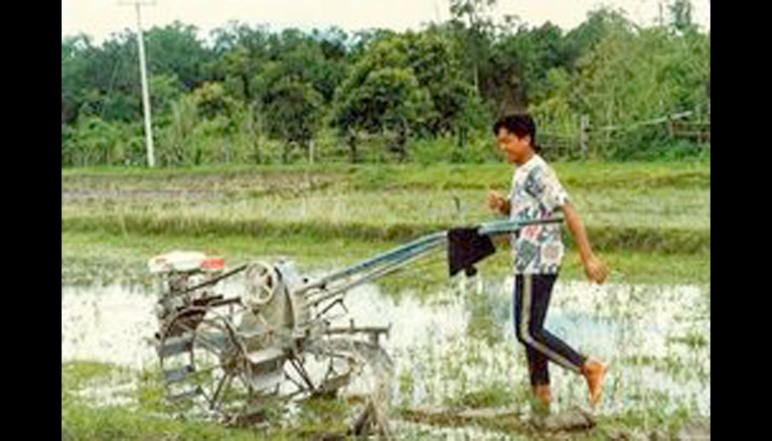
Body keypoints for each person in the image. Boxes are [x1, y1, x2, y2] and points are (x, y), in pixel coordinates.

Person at [486, 113, 609, 412]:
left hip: (538, 259)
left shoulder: (538, 171)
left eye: (508, 141)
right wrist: (504, 205)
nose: (503, 147)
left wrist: (588, 257)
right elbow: (526, 212)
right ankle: (541, 398)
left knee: (526, 331)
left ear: (526, 138)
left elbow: (568, 210)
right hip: (527, 259)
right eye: (500, 142)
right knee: (533, 331)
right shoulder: (521, 171)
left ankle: (588, 367)